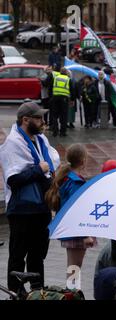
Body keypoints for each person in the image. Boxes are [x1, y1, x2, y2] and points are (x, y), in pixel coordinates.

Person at [0, 102, 60, 293]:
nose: (43, 121)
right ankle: (15, 292)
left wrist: (47, 170)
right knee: (18, 254)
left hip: (41, 207)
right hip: (22, 210)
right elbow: (14, 180)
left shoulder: (40, 140)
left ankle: (37, 290)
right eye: (39, 118)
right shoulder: (13, 143)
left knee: (38, 254)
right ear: (25, 120)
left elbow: (51, 163)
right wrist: (38, 169)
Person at [45, 144, 96, 277]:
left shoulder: (67, 178)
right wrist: (85, 235)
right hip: (77, 232)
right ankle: (72, 294)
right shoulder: (76, 182)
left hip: (72, 230)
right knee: (74, 268)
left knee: (73, 267)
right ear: (83, 161)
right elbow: (77, 209)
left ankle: (72, 292)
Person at [51, 67, 73, 137]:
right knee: (63, 116)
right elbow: (72, 90)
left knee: (54, 116)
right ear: (66, 72)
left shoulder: (55, 78)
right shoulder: (68, 79)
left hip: (55, 98)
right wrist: (72, 100)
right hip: (64, 99)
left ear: (60, 72)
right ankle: (62, 132)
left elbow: (51, 87)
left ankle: (55, 131)